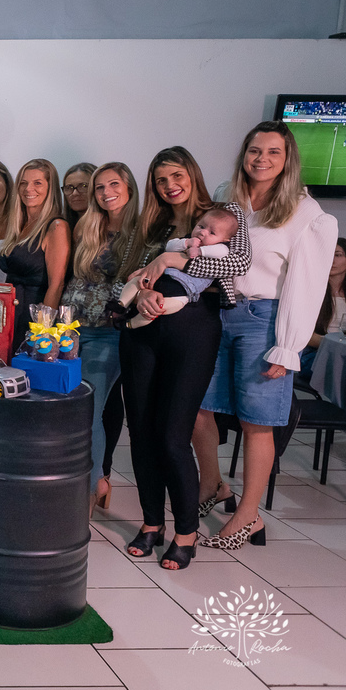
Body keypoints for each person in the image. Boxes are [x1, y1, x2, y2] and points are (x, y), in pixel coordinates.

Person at [193, 121, 337, 551]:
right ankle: (213, 486)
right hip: (220, 311)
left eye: (273, 152)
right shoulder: (229, 196)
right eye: (255, 151)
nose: (262, 159)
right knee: (198, 407)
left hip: (265, 318)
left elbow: (307, 284)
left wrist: (288, 345)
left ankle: (248, 515)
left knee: (257, 423)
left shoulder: (305, 212)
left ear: (287, 158)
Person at [120, 147, 249, 571]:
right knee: (140, 432)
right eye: (160, 180)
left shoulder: (222, 215)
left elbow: (240, 263)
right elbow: (132, 275)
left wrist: (175, 257)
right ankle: (152, 523)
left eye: (176, 175)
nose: (169, 185)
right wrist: (144, 291)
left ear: (192, 174)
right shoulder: (153, 224)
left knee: (172, 436)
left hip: (193, 332)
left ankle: (187, 532)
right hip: (143, 331)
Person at [59, 162, 139, 514]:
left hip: (108, 333)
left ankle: (89, 491)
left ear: (130, 187)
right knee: (65, 407)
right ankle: (90, 482)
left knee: (87, 409)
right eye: (100, 187)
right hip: (70, 328)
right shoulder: (88, 226)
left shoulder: (140, 233)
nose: (106, 193)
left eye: (114, 185)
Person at [120, 208, 237, 328]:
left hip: (184, 292)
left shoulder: (220, 248)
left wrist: (199, 251)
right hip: (163, 279)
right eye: (201, 226)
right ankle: (120, 304)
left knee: (161, 308)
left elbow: (221, 252)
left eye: (212, 233)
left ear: (225, 239)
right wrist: (186, 243)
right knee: (136, 281)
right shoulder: (188, 239)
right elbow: (169, 246)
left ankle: (131, 324)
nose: (202, 233)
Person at [0, 159, 71, 349]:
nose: (28, 189)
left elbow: (56, 285)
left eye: (37, 183)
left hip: (32, 321)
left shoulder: (56, 227)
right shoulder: (18, 225)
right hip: (8, 317)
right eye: (23, 183)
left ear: (50, 188)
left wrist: (42, 332)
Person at [300, 237, 346, 379]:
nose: (332, 260)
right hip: (315, 353)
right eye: (328, 253)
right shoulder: (311, 290)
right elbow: (304, 336)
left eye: (337, 255)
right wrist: (333, 345)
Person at [60, 162, 96, 230]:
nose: (74, 193)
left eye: (83, 186)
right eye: (69, 187)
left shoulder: (109, 226)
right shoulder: (60, 226)